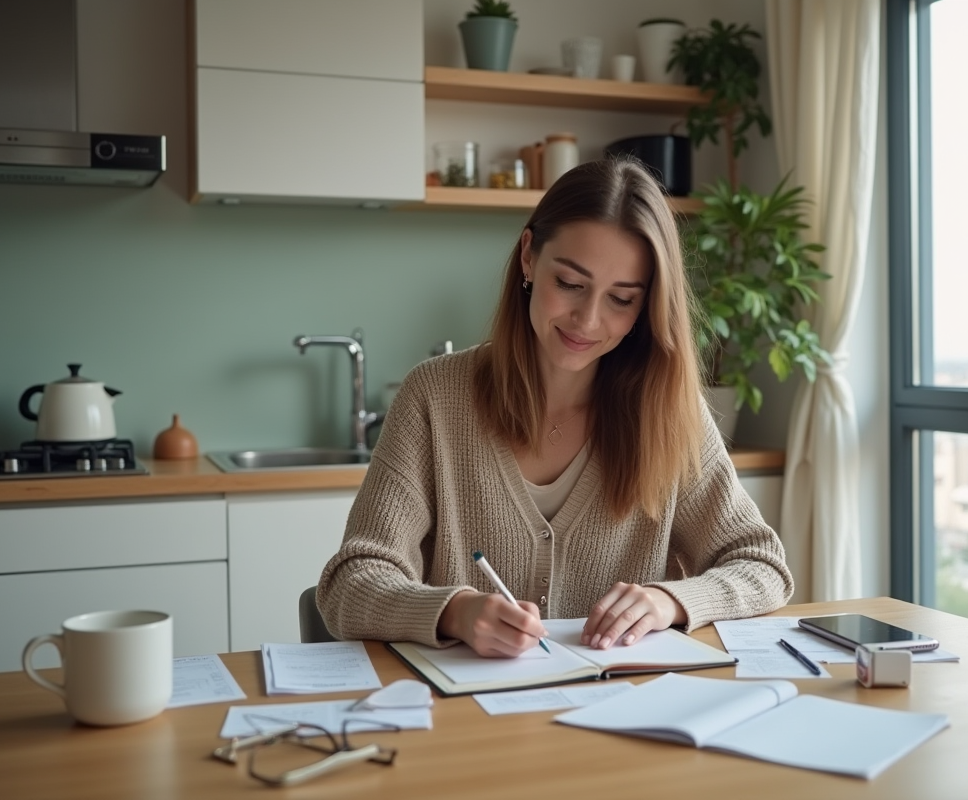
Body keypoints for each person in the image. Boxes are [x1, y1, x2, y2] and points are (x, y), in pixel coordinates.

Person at [317, 158, 793, 658]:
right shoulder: (434, 398)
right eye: (569, 284)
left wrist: (667, 601)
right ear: (528, 257)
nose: (588, 320)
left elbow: (762, 565)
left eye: (622, 299)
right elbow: (350, 582)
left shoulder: (671, 414)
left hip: (622, 715)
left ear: (647, 306)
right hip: (467, 722)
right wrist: (454, 611)